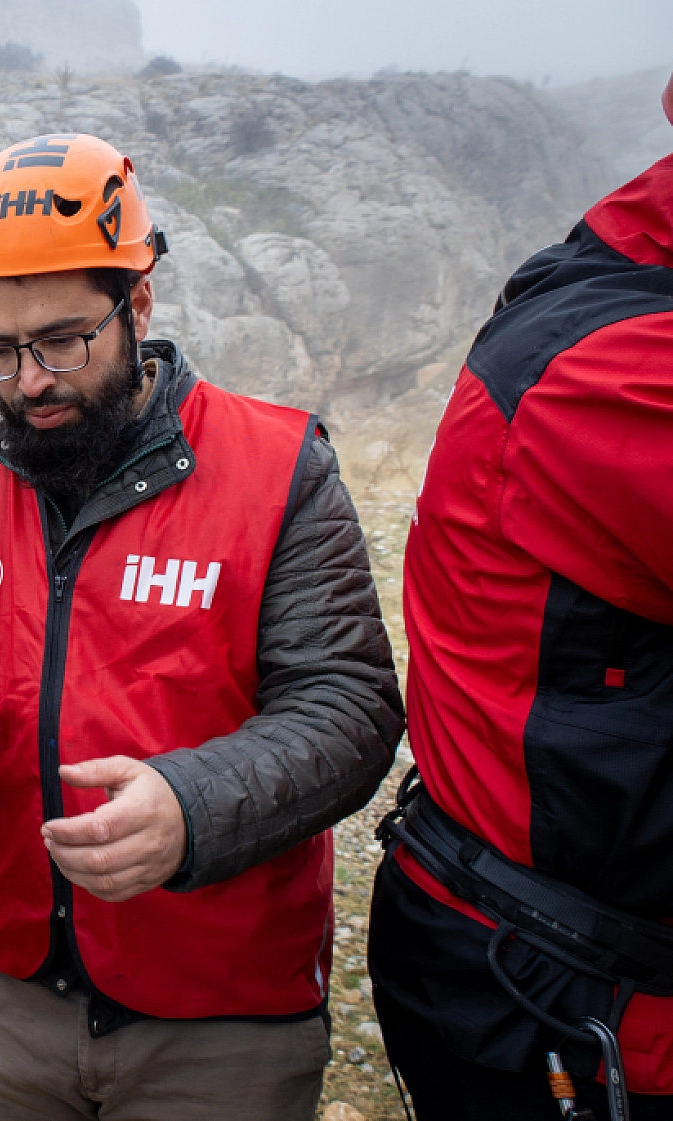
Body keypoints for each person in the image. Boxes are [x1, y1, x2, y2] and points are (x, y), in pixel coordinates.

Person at [0, 135, 406, 1121]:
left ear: (140, 306)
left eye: (62, 341)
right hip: (7, 991)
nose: (30, 381)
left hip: (220, 1013)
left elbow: (350, 707)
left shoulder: (279, 468)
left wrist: (191, 807)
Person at [368, 75, 673, 1119]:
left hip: (559, 977)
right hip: (562, 1006)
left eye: (56, 339)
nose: (31, 377)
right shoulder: (610, 368)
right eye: (1, 351)